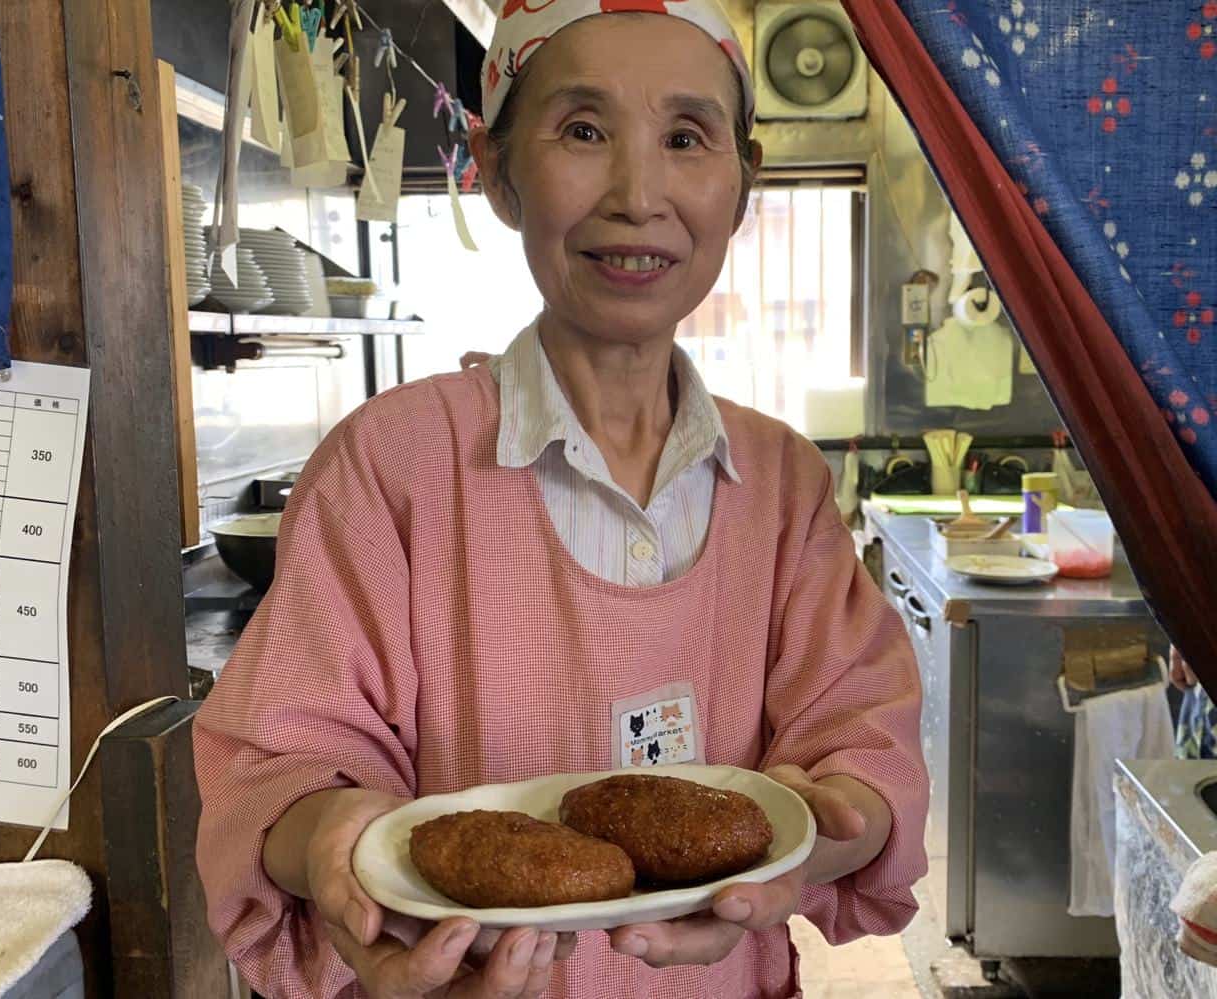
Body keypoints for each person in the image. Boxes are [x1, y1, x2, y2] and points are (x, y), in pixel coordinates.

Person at [193, 2, 930, 996]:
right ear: (497, 171)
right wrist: (331, 840)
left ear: (742, 179)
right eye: (582, 132)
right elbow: (277, 767)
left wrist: (829, 828)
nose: (636, 194)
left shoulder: (782, 482)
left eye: (684, 138)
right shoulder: (393, 465)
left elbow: (859, 745)